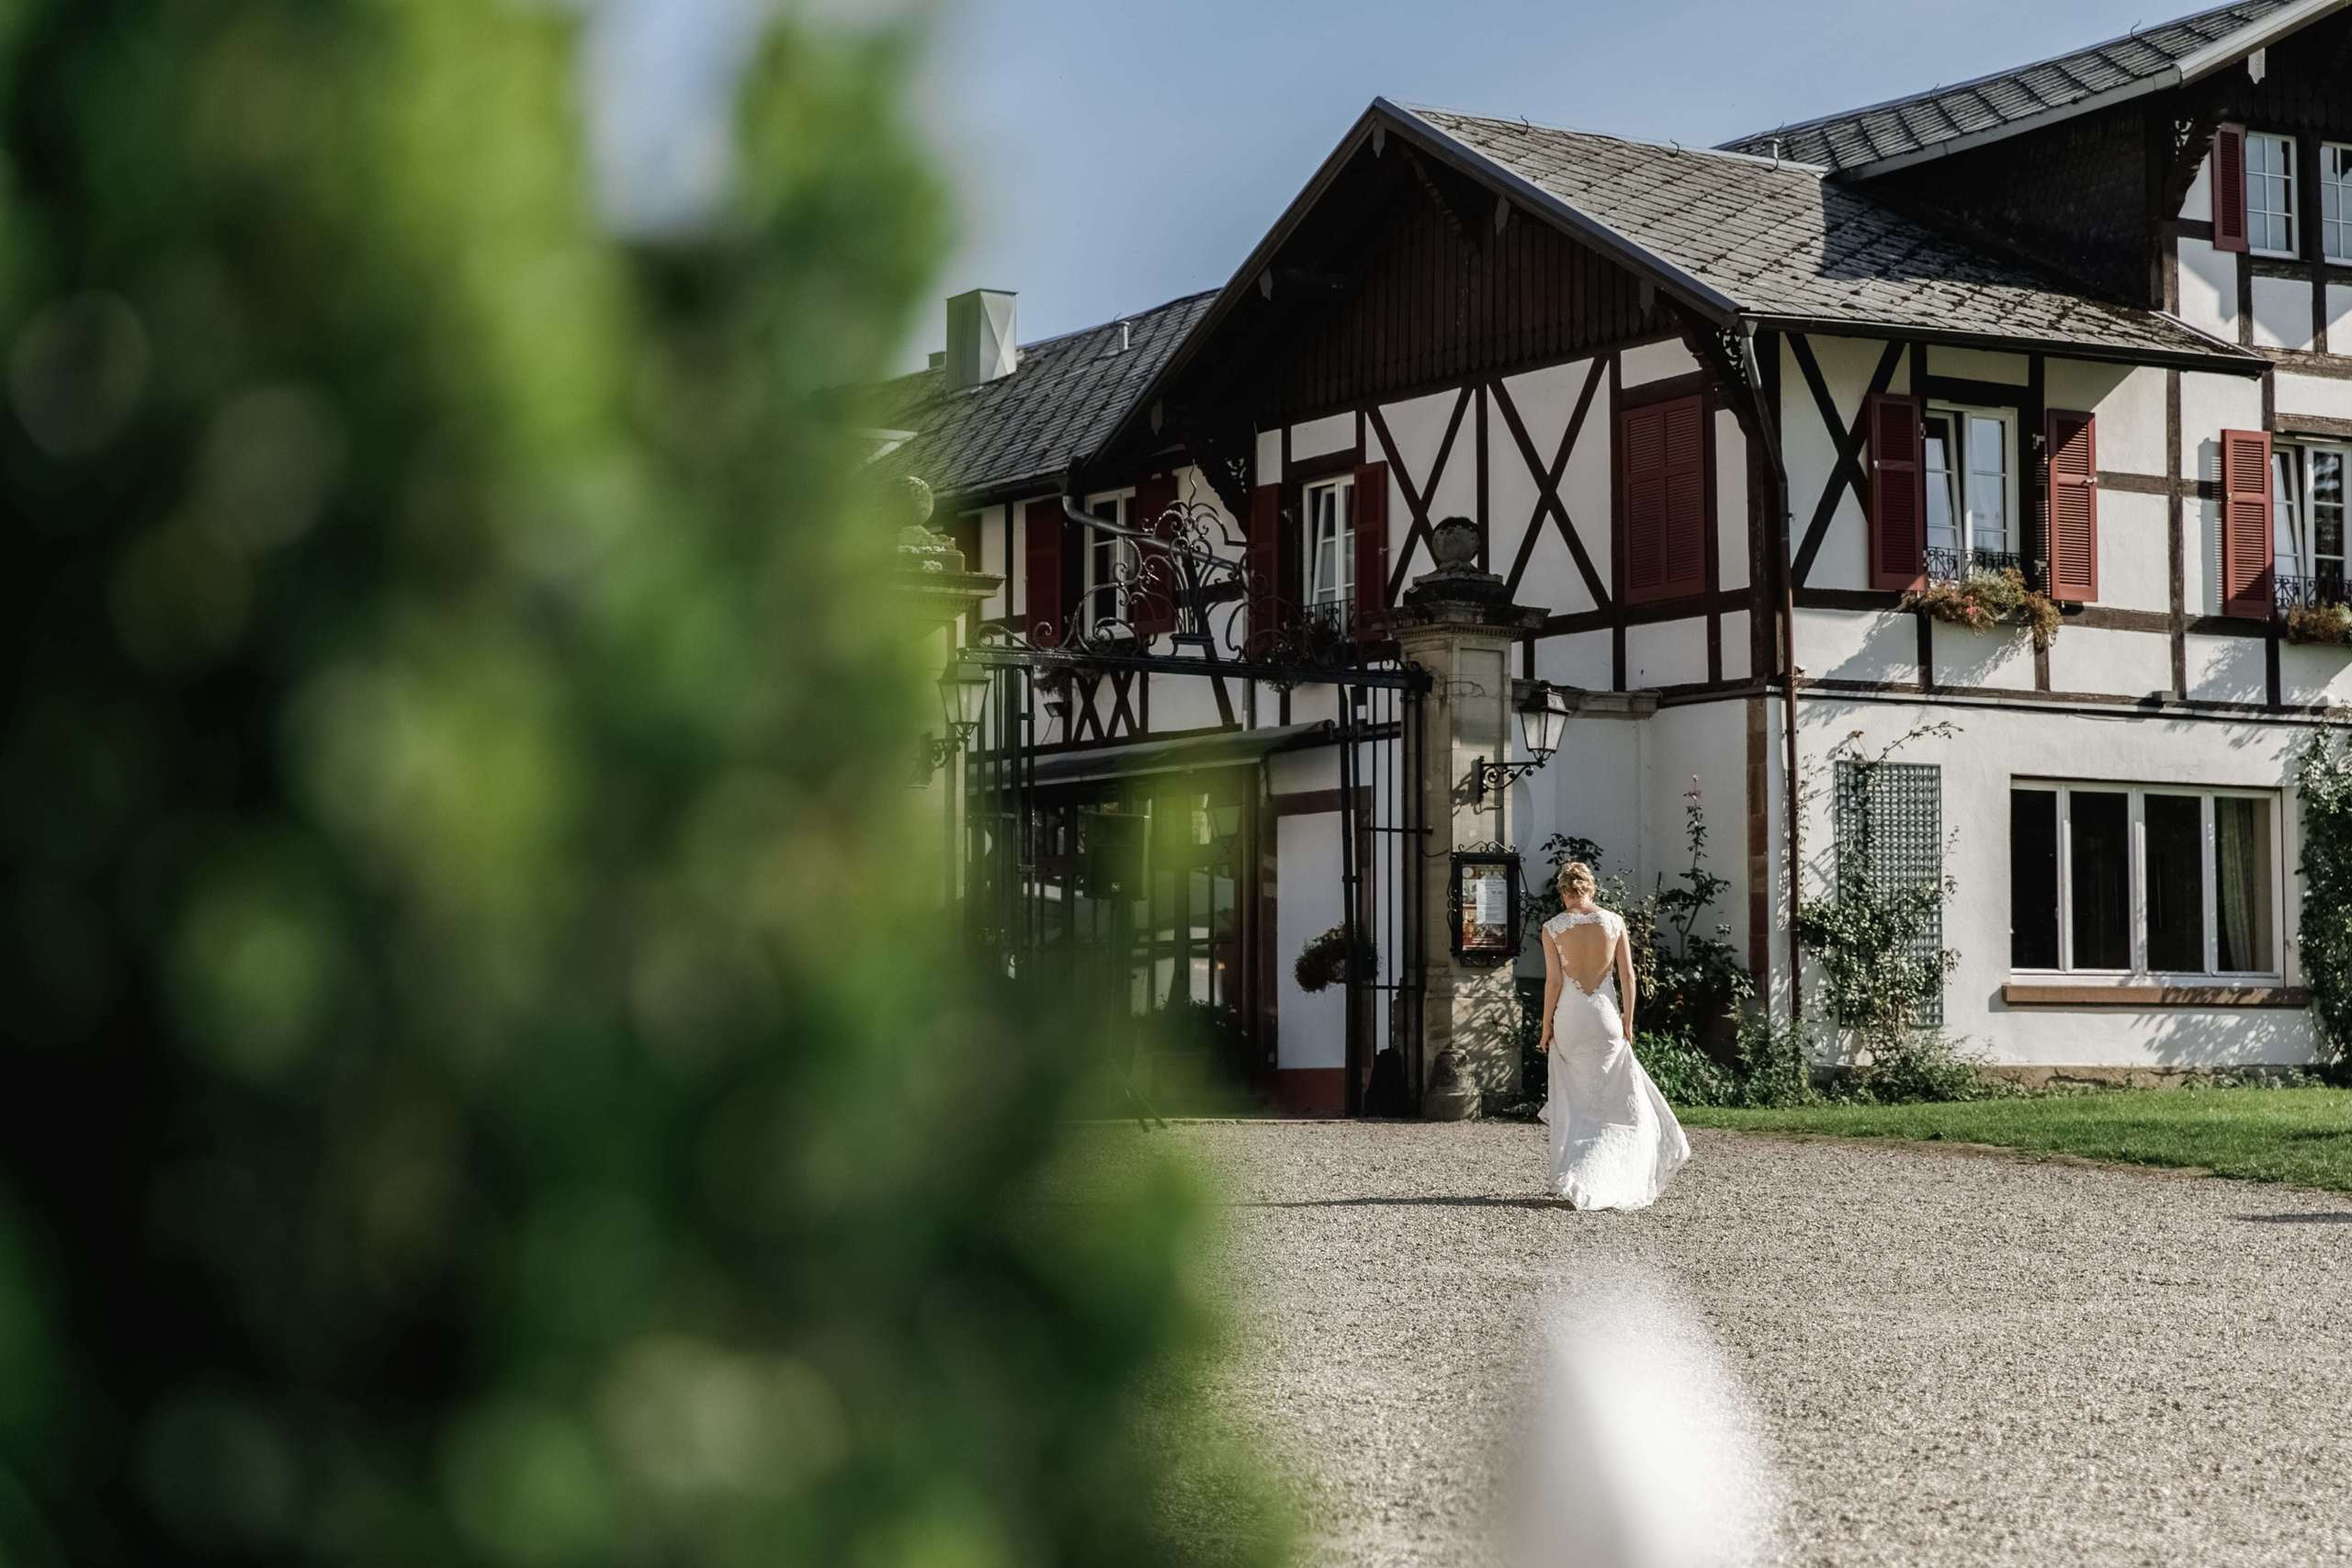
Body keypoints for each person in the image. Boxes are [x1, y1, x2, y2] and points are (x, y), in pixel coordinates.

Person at [1536, 863, 1690, 1210]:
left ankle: (1576, 1172)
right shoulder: (1613, 922)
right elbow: (1628, 977)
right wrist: (1628, 1020)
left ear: (1564, 891)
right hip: (1605, 1018)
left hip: (1571, 1020)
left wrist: (1546, 1026)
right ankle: (1611, 1172)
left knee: (1576, 1100)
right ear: (1591, 888)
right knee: (1615, 1099)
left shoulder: (1553, 928)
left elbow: (1555, 983)